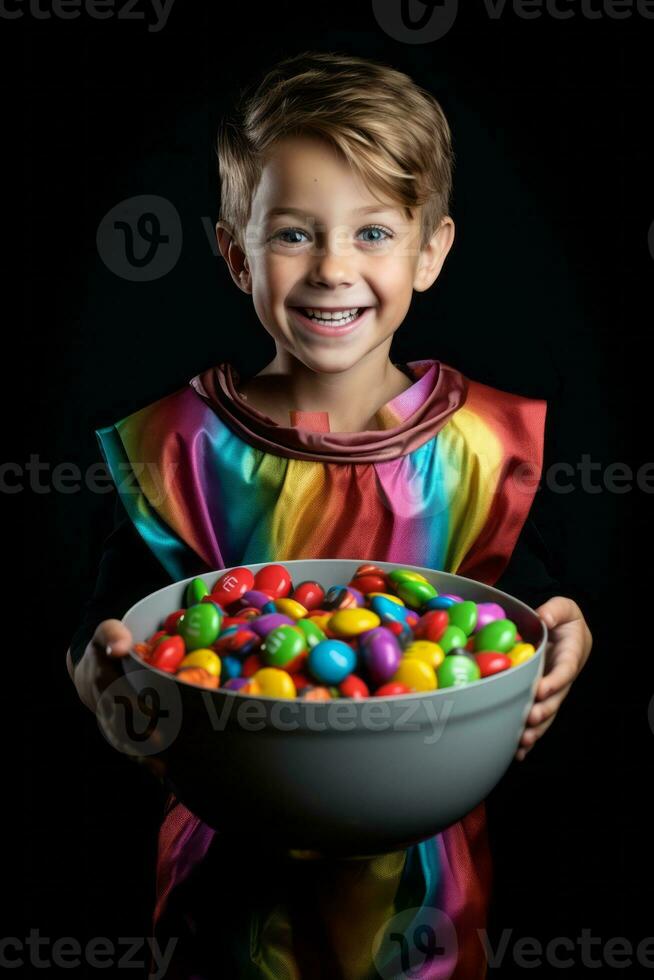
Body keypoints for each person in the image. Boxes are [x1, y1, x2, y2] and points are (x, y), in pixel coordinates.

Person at [67, 51, 593, 979]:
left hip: (422, 882)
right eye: (295, 236)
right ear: (236, 253)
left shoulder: (477, 442)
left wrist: (567, 632)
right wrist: (98, 671)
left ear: (431, 252)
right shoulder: (186, 446)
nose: (333, 269)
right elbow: (123, 611)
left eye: (375, 234)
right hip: (227, 875)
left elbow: (522, 598)